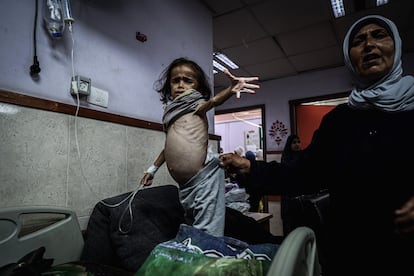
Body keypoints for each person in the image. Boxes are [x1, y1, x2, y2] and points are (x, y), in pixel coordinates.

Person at [219, 15, 414, 275]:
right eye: (358, 41)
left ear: (396, 46)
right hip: (349, 255)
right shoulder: (339, 120)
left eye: (379, 35)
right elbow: (302, 173)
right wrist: (249, 168)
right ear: (350, 57)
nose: (368, 44)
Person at [140, 57, 260, 237]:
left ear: (198, 87)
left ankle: (208, 257)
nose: (181, 85)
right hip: (186, 185)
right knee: (192, 223)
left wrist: (230, 89)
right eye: (176, 80)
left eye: (188, 80)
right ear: (169, 86)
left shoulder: (196, 106)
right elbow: (169, 147)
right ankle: (196, 253)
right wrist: (152, 169)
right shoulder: (171, 113)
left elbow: (214, 102)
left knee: (207, 231)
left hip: (204, 179)